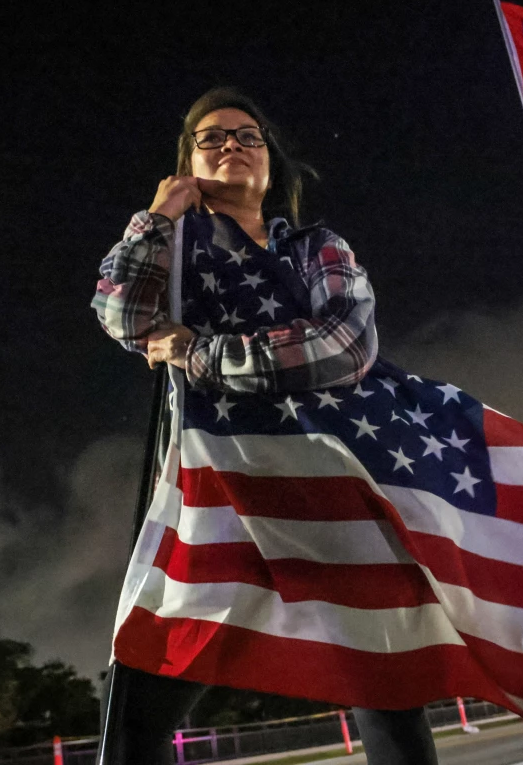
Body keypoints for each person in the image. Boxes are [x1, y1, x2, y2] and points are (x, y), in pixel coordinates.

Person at [92, 87, 437, 764]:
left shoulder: (316, 247)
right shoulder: (175, 250)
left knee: (386, 697)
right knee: (133, 713)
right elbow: (123, 317)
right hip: (216, 498)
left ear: (270, 164)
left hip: (326, 489)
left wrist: (200, 351)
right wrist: (160, 214)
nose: (232, 145)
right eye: (211, 137)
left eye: (247, 136)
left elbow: (345, 347)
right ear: (187, 164)